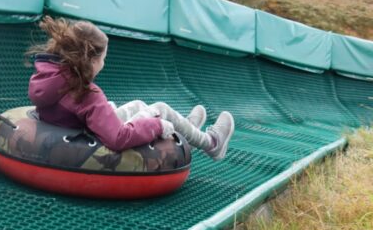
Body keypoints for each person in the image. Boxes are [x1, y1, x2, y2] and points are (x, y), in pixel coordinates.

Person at [26, 16, 235, 160]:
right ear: (90, 60)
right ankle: (211, 143)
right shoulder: (87, 94)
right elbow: (118, 138)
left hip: (77, 128)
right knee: (161, 110)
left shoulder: (49, 75)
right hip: (92, 139)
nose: (104, 64)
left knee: (138, 105)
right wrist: (158, 126)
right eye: (103, 59)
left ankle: (186, 129)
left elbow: (70, 111)